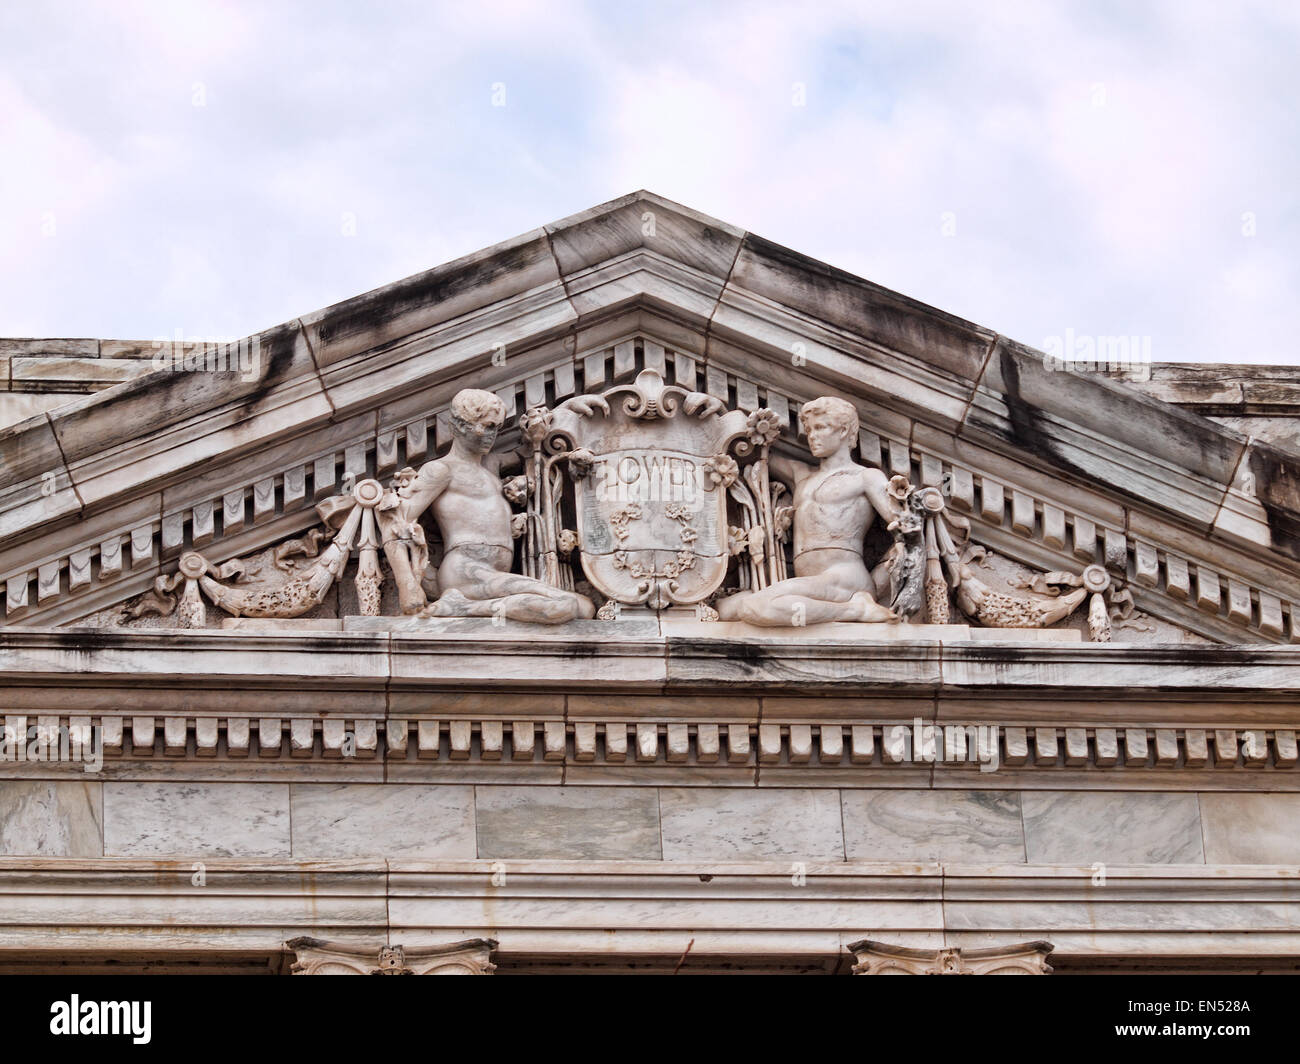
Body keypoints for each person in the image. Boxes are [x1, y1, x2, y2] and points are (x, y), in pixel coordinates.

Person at [393, 389, 595, 623]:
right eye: (487, 426)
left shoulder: (492, 464)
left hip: (493, 575)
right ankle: (460, 608)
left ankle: (464, 606)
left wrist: (567, 412)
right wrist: (407, 582)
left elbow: (533, 445)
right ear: (458, 425)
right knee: (563, 606)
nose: (493, 435)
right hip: (465, 572)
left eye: (497, 428)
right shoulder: (442, 470)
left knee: (585, 608)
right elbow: (397, 522)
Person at [716, 395, 898, 626]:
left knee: (756, 607)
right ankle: (840, 610)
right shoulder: (800, 475)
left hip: (844, 579)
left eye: (821, 428)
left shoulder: (866, 477)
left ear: (843, 431)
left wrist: (881, 579)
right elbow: (747, 450)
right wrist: (723, 414)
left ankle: (855, 610)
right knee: (726, 608)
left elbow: (904, 528)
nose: (812, 436)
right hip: (812, 584)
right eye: (809, 430)